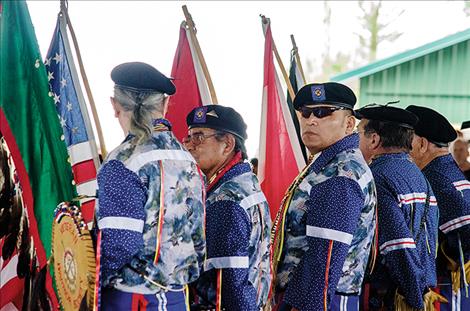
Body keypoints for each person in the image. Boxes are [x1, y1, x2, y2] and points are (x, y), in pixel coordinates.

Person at [96, 62, 206, 310]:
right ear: (165, 105)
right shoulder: (188, 159)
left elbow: (118, 243)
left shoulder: (122, 162)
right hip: (178, 298)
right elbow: (199, 239)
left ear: (115, 106)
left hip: (130, 299)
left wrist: (85, 279)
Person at [271, 82, 377, 311]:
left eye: (323, 112)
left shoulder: (340, 174)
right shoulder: (329, 162)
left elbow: (326, 259)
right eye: (305, 113)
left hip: (319, 302)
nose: (311, 120)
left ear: (349, 123)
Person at [183, 105, 271, 310]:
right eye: (188, 137)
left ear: (227, 144)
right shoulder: (244, 181)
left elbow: (230, 282)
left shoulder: (225, 199)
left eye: (198, 137)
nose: (189, 146)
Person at [355, 104, 442, 310]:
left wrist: (413, 297)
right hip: (420, 286)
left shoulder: (378, 177)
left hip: (393, 296)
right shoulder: (418, 175)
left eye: (358, 132)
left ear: (374, 139)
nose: (354, 139)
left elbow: (398, 244)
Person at [406, 105, 470, 311]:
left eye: (407, 140)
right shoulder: (449, 172)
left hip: (446, 290)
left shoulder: (434, 181)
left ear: (423, 144)